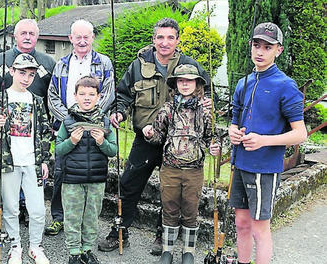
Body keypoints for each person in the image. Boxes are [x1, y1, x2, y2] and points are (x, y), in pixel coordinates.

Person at [98, 18, 211, 255]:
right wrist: (119, 112)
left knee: (171, 191)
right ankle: (120, 231)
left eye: (170, 37)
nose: (165, 42)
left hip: (179, 143)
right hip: (146, 138)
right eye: (160, 37)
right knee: (128, 183)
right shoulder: (138, 66)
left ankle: (163, 236)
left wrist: (208, 105)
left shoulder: (190, 65)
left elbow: (206, 93)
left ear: (178, 40)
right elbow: (123, 95)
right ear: (153, 39)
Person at [228, 22, 307, 264]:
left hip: (264, 169)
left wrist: (264, 141)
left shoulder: (286, 86)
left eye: (267, 46)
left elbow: (300, 134)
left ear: (278, 50)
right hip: (240, 164)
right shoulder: (243, 82)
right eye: (256, 45)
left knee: (259, 228)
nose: (260, 51)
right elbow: (234, 121)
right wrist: (233, 132)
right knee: (241, 223)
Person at [143, 64, 220, 264]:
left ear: (197, 84)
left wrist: (215, 146)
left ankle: (188, 252)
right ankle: (167, 251)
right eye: (181, 80)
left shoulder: (206, 110)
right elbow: (158, 136)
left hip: (194, 170)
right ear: (175, 84)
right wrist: (150, 133)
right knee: (169, 208)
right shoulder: (167, 108)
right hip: (169, 168)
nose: (185, 84)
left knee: (191, 210)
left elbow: (212, 137)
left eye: (189, 80)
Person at [46, 19, 115, 236]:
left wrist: (92, 118)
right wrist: (70, 120)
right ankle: (59, 218)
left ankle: (86, 224)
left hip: (95, 128)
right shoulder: (62, 64)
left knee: (90, 175)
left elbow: (108, 93)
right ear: (71, 39)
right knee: (61, 173)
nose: (82, 41)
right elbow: (52, 96)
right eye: (78, 37)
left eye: (87, 36)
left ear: (93, 37)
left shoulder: (104, 63)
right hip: (68, 126)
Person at [0, 54, 51, 264]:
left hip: (33, 162)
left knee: (38, 209)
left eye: (31, 74)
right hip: (8, 163)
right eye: (22, 73)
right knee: (11, 207)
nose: (26, 78)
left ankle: (35, 246)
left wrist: (45, 159)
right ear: (12, 72)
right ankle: (15, 245)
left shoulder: (37, 101)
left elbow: (46, 132)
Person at [55, 76, 117, 264]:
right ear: (75, 96)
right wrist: (72, 141)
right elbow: (58, 149)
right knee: (73, 217)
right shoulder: (67, 122)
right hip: (72, 179)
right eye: (82, 94)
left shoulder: (105, 123)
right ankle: (74, 252)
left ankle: (87, 250)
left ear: (98, 97)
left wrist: (102, 142)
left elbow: (113, 151)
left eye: (91, 94)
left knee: (91, 217)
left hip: (97, 179)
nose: (87, 98)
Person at [0, 19, 55, 108]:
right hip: (4, 118)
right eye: (23, 33)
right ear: (15, 36)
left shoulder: (48, 63)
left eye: (31, 34)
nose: (28, 37)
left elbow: (54, 95)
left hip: (38, 118)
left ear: (37, 36)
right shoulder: (0, 60)